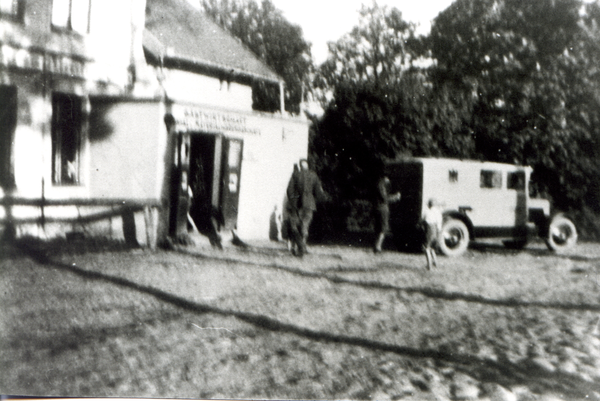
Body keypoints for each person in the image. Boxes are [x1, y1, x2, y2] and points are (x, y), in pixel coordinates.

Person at [286, 159, 325, 256]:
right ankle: (303, 246)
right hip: (309, 205)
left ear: (300, 166)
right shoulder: (314, 175)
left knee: (294, 226)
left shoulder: (295, 174)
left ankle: (297, 246)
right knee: (305, 226)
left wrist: (293, 202)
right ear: (307, 166)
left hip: (297, 205)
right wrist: (313, 200)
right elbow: (319, 193)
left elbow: (289, 190)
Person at [373, 175, 401, 253]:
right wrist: (396, 197)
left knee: (378, 228)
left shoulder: (378, 184)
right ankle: (378, 246)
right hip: (383, 208)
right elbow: (385, 198)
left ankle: (376, 245)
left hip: (376, 207)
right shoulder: (382, 185)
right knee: (384, 228)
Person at [422, 198, 443, 270]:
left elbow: (423, 220)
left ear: (429, 205)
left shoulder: (427, 211)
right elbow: (439, 224)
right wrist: (439, 233)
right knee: (433, 248)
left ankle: (429, 265)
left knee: (427, 248)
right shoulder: (438, 212)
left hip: (429, 229)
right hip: (436, 230)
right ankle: (436, 263)